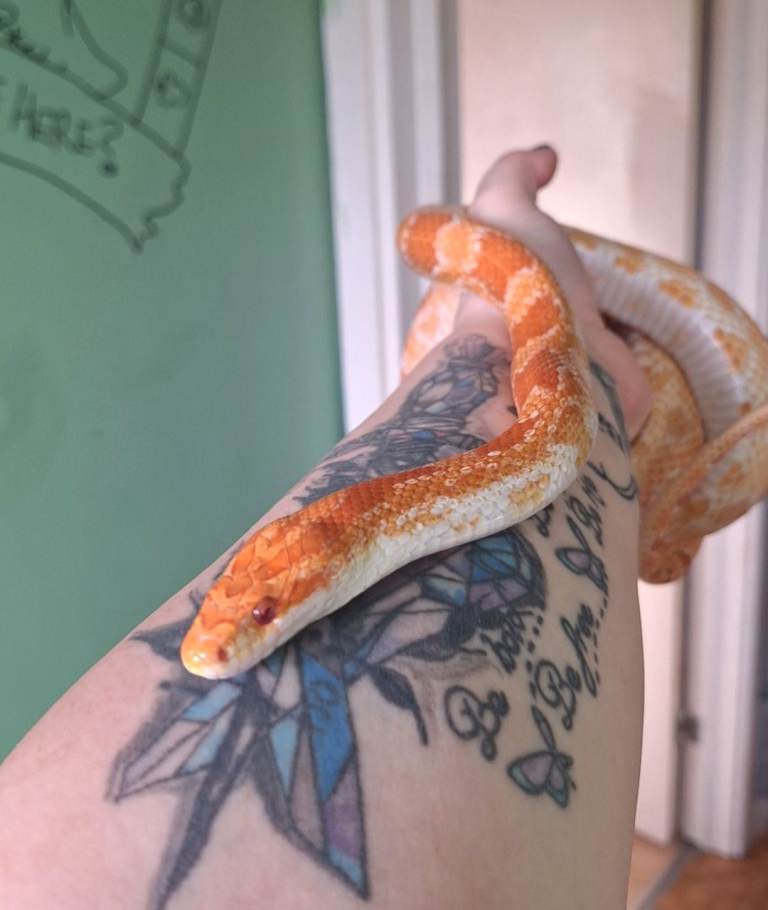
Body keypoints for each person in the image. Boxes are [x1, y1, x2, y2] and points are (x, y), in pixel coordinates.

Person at [0, 146, 652, 909]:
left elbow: (549, 447)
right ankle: (562, 344)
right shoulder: (357, 536)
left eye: (263, 612)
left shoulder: (378, 526)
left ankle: (548, 341)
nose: (221, 642)